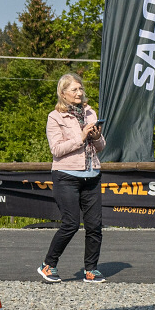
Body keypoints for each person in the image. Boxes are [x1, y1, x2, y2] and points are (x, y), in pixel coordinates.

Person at [37, 73, 108, 283]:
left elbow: (101, 146)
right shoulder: (55, 117)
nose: (79, 93)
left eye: (80, 88)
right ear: (63, 93)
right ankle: (48, 265)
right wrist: (82, 136)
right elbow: (57, 149)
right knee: (71, 223)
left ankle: (91, 270)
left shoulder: (90, 112)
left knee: (95, 226)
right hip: (66, 176)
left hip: (92, 174)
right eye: (74, 89)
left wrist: (96, 138)